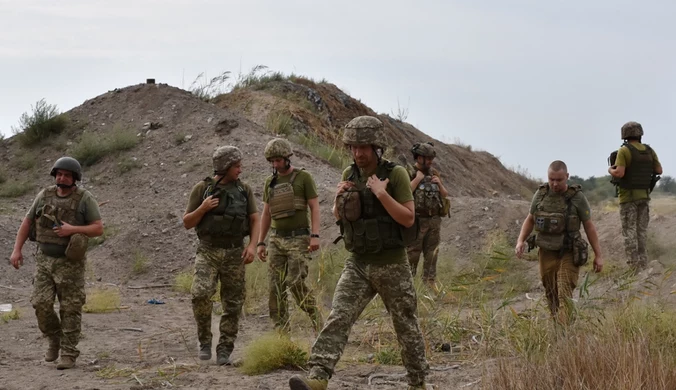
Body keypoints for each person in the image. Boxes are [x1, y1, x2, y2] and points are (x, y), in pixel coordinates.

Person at [289, 116, 428, 390]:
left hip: (392, 264)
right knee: (339, 315)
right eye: (353, 147)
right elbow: (339, 217)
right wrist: (338, 200)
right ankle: (318, 377)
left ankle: (418, 382)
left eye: (363, 147)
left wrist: (382, 194)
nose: (357, 153)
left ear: (377, 147)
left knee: (405, 324)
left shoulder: (396, 174)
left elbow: (409, 219)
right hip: (358, 264)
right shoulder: (349, 174)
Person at [10, 156, 103, 370]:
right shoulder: (44, 195)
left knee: (70, 308)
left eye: (67, 175)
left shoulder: (84, 199)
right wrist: (17, 249)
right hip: (44, 260)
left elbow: (98, 228)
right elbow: (27, 221)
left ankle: (69, 353)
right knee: (40, 303)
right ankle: (54, 339)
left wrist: (73, 229)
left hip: (70, 263)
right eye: (59, 174)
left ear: (75, 178)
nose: (62, 178)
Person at [183, 146, 260, 365]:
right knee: (200, 294)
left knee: (233, 302)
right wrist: (203, 208)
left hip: (236, 252)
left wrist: (253, 246)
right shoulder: (202, 189)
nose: (240, 170)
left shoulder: (244, 190)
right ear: (225, 167)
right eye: (236, 166)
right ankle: (205, 341)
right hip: (208, 251)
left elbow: (255, 219)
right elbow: (187, 222)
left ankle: (225, 348)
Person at [515, 160, 603, 324]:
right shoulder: (540, 195)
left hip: (568, 251)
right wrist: (520, 241)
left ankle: (564, 332)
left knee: (564, 293)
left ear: (567, 177)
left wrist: (598, 255)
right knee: (551, 292)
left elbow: (589, 226)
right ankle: (558, 326)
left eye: (559, 180)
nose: (554, 184)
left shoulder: (577, 198)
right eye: (551, 179)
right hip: (546, 251)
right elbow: (530, 219)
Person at [256, 138, 322, 332]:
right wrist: (261, 242)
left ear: (287, 158)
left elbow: (314, 207)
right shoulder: (270, 182)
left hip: (298, 238)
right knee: (275, 288)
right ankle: (281, 334)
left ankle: (317, 320)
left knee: (295, 283)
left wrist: (315, 235)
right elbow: (266, 213)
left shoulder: (304, 178)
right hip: (276, 239)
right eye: (272, 161)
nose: (275, 164)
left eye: (278, 160)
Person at [608, 121, 663, 271]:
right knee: (641, 231)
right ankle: (644, 264)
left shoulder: (624, 151)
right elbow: (659, 170)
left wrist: (610, 170)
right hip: (644, 196)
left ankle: (634, 268)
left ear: (624, 135)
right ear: (640, 134)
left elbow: (620, 173)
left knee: (629, 232)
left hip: (628, 198)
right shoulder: (649, 151)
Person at [407, 142, 449, 287]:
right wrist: (417, 179)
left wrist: (439, 184)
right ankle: (409, 284)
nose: (430, 161)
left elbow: (444, 195)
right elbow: (404, 193)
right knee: (413, 253)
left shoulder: (434, 173)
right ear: (418, 157)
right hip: (416, 221)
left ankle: (429, 284)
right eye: (427, 158)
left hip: (434, 220)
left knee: (432, 253)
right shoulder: (409, 172)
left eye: (431, 158)